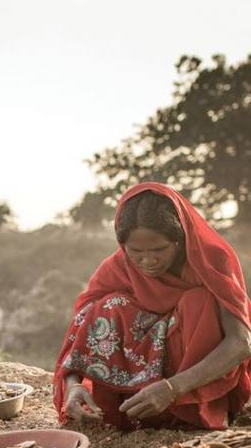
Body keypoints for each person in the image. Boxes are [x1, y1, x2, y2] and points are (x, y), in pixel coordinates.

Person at [54, 182, 251, 430]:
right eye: (136, 251)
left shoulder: (212, 261)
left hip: (192, 392)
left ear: (180, 240)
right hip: (138, 402)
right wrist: (73, 385)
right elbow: (81, 332)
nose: (148, 261)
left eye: (159, 249)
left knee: (199, 302)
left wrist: (172, 388)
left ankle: (191, 413)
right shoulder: (118, 268)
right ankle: (128, 412)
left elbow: (241, 343)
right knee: (108, 307)